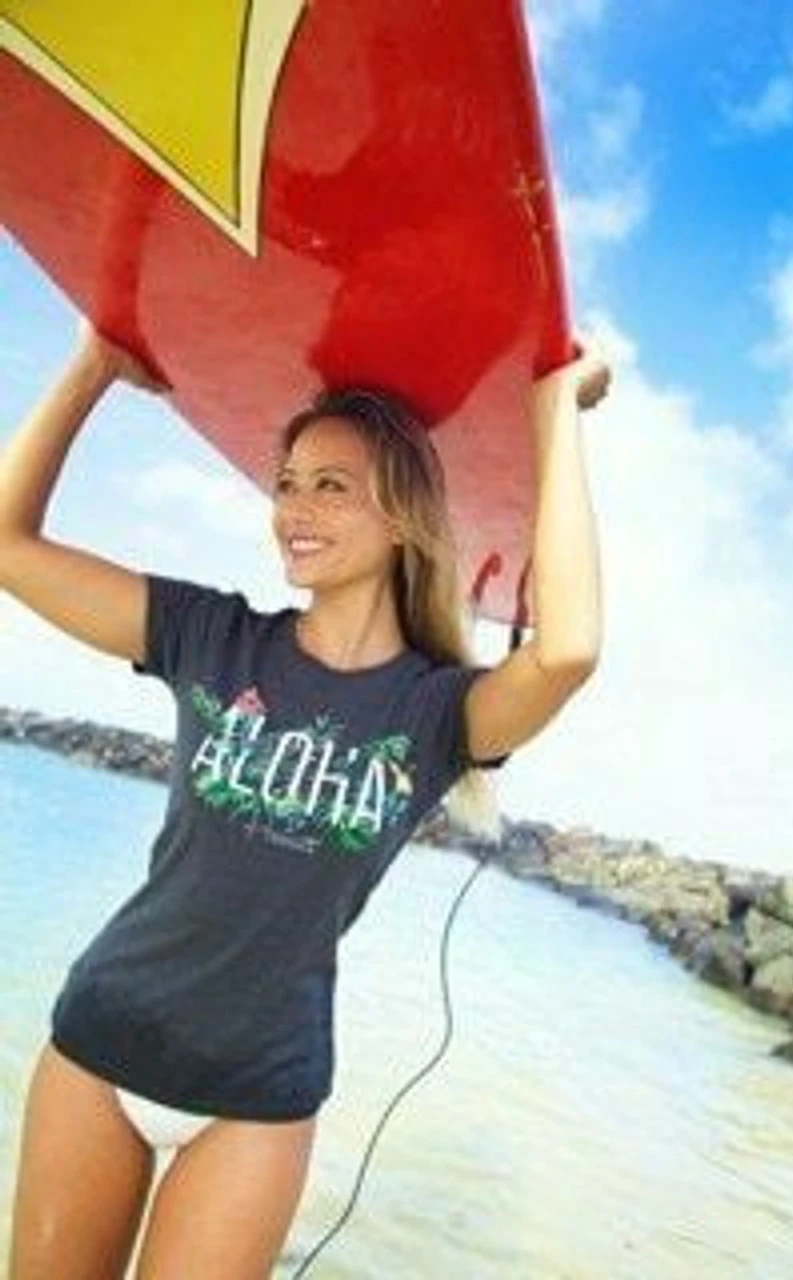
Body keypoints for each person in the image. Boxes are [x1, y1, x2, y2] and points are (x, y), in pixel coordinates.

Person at [0, 316, 611, 1279]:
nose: (294, 509)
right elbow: (6, 544)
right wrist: (92, 365)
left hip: (256, 1099)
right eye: (287, 484)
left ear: (404, 518)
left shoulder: (436, 715)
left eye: (332, 486)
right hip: (102, 1039)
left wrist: (553, 410)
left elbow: (568, 650)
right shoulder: (210, 635)